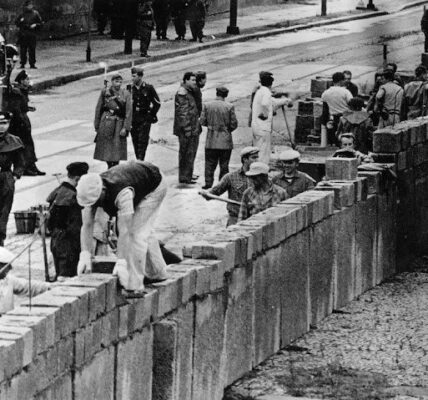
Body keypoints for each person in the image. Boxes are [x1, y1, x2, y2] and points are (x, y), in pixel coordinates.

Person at [76, 160, 169, 296]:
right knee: (143, 229)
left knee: (136, 233)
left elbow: (126, 230)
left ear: (102, 191)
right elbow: (87, 225)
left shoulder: (122, 192)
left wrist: (121, 262)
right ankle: (158, 273)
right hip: (138, 178)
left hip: (154, 185)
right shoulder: (89, 193)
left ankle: (134, 286)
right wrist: (84, 254)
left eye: (96, 202)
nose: (94, 205)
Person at [46, 162, 89, 280]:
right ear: (78, 179)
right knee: (67, 278)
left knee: (60, 273)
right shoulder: (73, 197)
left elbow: (49, 221)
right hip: (69, 244)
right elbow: (76, 227)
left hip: (55, 240)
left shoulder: (57, 191)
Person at [201, 146, 259, 226]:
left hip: (255, 220)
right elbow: (214, 192)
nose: (257, 161)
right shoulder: (231, 177)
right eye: (254, 158)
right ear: (245, 159)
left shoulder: (261, 177)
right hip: (235, 220)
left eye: (257, 158)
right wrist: (206, 193)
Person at [6, 70, 45, 176]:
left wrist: (28, 108)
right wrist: (21, 121)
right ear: (21, 81)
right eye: (27, 79)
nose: (29, 81)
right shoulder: (17, 92)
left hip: (23, 119)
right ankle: (25, 167)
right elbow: (16, 108)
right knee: (24, 145)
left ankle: (32, 166)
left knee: (29, 144)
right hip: (19, 122)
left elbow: (22, 105)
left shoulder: (23, 90)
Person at [200, 86, 238, 189]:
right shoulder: (229, 106)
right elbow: (234, 124)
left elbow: (202, 121)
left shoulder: (207, 105)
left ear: (216, 93)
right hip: (225, 140)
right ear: (226, 95)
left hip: (211, 139)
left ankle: (208, 183)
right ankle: (222, 184)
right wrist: (226, 130)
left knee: (209, 164)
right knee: (224, 165)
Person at [251, 71, 292, 164]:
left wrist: (285, 101)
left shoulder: (260, 91)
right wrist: (265, 113)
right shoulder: (266, 92)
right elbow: (266, 103)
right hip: (263, 127)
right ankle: (262, 170)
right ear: (271, 83)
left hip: (256, 126)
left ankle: (257, 167)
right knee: (264, 152)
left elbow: (272, 102)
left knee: (257, 149)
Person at [94, 73, 132, 169]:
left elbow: (128, 112)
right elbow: (99, 108)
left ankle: (114, 167)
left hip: (119, 123)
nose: (118, 84)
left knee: (117, 149)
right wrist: (97, 124)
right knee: (106, 148)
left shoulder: (126, 93)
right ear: (112, 81)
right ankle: (109, 166)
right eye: (116, 81)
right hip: (106, 123)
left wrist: (125, 128)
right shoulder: (105, 92)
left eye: (120, 82)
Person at [0, 247, 50, 315]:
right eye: (7, 265)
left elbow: (28, 286)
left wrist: (49, 286)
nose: (11, 268)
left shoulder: (8, 280)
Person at [0, 112, 25, 247]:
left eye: (4, 123)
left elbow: (20, 162)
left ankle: (0, 241)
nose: (1, 127)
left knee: (4, 210)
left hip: (5, 177)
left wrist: (15, 175)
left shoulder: (14, 141)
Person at [129, 67, 161, 160]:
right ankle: (139, 160)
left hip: (144, 119)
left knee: (142, 142)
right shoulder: (130, 89)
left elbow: (157, 103)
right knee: (135, 141)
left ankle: (140, 161)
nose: (132, 78)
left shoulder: (148, 88)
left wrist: (151, 115)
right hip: (134, 120)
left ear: (140, 77)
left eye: (134, 76)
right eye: (132, 76)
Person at [173, 72, 200, 184]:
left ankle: (188, 174)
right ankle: (185, 177)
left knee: (191, 152)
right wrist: (188, 129)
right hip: (186, 130)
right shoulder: (182, 93)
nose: (194, 82)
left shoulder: (190, 91)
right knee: (186, 153)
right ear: (186, 80)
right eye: (192, 80)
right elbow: (183, 114)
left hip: (193, 127)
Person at [321, 72, 353, 146]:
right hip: (346, 118)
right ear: (341, 81)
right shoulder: (346, 92)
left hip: (333, 118)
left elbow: (325, 108)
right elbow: (351, 103)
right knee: (346, 139)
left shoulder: (325, 93)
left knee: (336, 138)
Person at [15, 0, 42, 69]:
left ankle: (32, 64)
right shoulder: (22, 14)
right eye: (29, 5)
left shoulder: (35, 13)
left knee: (32, 49)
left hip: (32, 34)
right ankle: (22, 63)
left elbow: (41, 23)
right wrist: (20, 22)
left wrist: (35, 24)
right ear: (26, 6)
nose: (30, 6)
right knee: (23, 50)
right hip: (23, 34)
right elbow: (17, 23)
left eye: (31, 5)